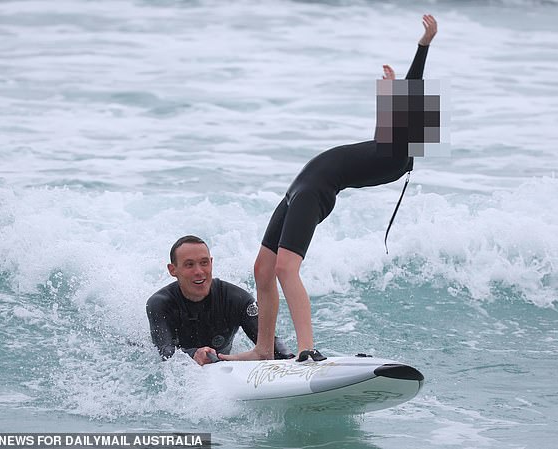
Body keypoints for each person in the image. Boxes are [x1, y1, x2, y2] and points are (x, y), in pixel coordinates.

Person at [221, 15, 439, 363]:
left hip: (313, 191)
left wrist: (423, 45)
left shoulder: (400, 153)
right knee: (263, 267)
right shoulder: (393, 148)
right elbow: (397, 113)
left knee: (285, 269)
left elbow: (415, 87)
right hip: (298, 187)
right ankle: (263, 349)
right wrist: (390, 88)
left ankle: (307, 349)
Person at [146, 235, 293, 365]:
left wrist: (291, 359)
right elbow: (165, 353)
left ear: (211, 262)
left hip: (222, 365)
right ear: (173, 270)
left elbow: (268, 344)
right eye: (189, 265)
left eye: (204, 263)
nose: (199, 272)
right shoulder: (160, 304)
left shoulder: (237, 299)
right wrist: (193, 354)